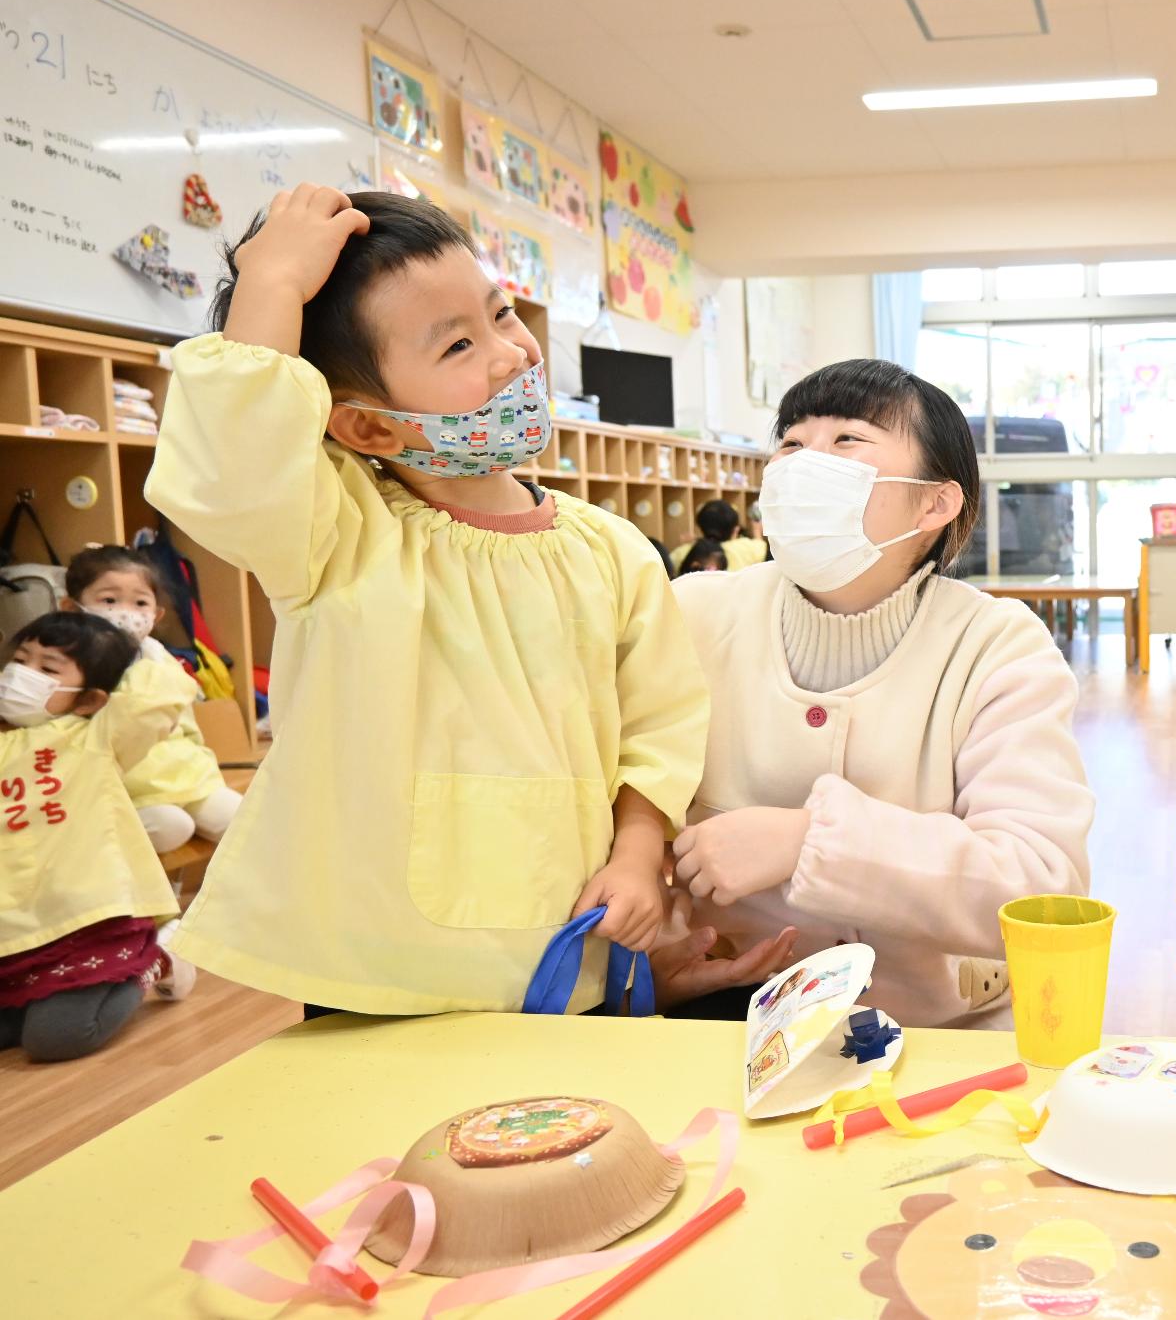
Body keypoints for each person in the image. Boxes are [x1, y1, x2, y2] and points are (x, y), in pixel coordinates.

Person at [144, 185, 708, 1015]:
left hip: (569, 949)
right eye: (456, 347)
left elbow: (659, 724)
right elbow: (237, 465)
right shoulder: (335, 537)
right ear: (368, 428)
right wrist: (269, 288)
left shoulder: (613, 551)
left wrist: (636, 853)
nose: (512, 355)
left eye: (502, 314)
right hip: (378, 974)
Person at [650, 358, 1093, 1027]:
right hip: (716, 1018)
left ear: (935, 502)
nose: (804, 463)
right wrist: (652, 958)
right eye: (792, 443)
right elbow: (624, 813)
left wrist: (810, 840)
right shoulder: (692, 612)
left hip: (928, 1032)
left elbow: (1040, 882)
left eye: (847, 440)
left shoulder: (997, 644)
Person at [0, 613, 198, 1061]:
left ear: (89, 699)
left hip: (91, 917)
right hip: (16, 928)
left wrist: (143, 645)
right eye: (20, 660)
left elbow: (159, 697)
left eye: (48, 669)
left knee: (57, 1039)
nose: (22, 675)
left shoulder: (93, 736)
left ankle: (154, 959)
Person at [61, 546, 240, 855]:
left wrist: (201, 764)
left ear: (156, 615)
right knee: (171, 827)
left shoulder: (161, 658)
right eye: (109, 600)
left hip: (187, 776)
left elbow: (186, 725)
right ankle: (146, 894)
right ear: (71, 607)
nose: (126, 612)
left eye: (140, 602)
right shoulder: (67, 662)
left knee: (246, 821)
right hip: (125, 787)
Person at [668, 500, 767, 573]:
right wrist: (757, 531)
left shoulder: (681, 553)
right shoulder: (748, 547)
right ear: (735, 530)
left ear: (700, 526)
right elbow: (761, 546)